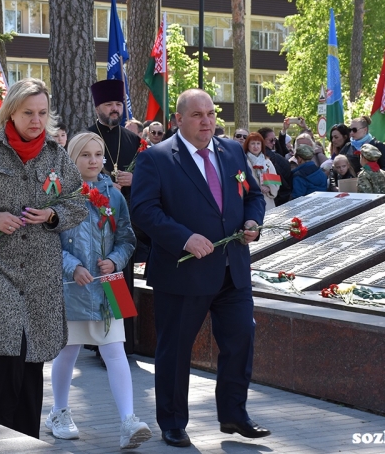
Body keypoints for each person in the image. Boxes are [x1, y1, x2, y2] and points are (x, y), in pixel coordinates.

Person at [0, 78, 87, 438]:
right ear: (11, 111)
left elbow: (77, 201)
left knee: (31, 359)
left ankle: (28, 441)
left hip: (39, 271)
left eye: (42, 112)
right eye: (28, 113)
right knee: (6, 354)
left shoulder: (56, 155)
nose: (36, 120)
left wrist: (53, 215)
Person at [131, 89, 269, 448]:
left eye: (211, 114)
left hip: (232, 269)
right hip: (183, 273)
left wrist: (253, 222)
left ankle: (234, 415)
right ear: (178, 120)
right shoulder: (157, 159)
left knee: (241, 338)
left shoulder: (232, 150)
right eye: (197, 115)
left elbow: (252, 195)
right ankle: (173, 422)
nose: (207, 121)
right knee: (175, 350)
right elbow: (144, 211)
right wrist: (184, 238)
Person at [47, 132, 151, 449]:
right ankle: (58, 412)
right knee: (68, 350)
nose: (93, 161)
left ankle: (128, 421)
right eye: (85, 155)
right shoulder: (57, 195)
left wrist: (115, 260)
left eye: (98, 155)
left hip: (111, 284)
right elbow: (47, 241)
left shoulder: (114, 195)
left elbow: (127, 239)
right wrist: (72, 267)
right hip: (72, 285)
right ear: (72, 159)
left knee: (116, 350)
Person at [86, 79, 141, 353]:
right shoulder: (85, 139)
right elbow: (75, 177)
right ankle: (94, 341)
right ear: (98, 107)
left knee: (119, 277)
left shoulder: (134, 140)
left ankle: (119, 342)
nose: (115, 109)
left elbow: (150, 179)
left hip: (121, 223)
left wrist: (135, 180)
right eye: (109, 104)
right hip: (91, 222)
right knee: (96, 276)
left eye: (118, 104)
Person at [244, 133, 278, 210]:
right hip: (251, 201)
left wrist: (269, 188)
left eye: (258, 143)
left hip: (267, 200)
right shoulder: (243, 161)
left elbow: (275, 182)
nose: (256, 146)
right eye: (252, 143)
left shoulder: (267, 162)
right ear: (247, 145)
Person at [258, 127, 292, 205]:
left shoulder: (269, 159)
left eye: (275, 140)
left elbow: (275, 184)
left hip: (271, 198)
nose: (273, 143)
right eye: (271, 140)